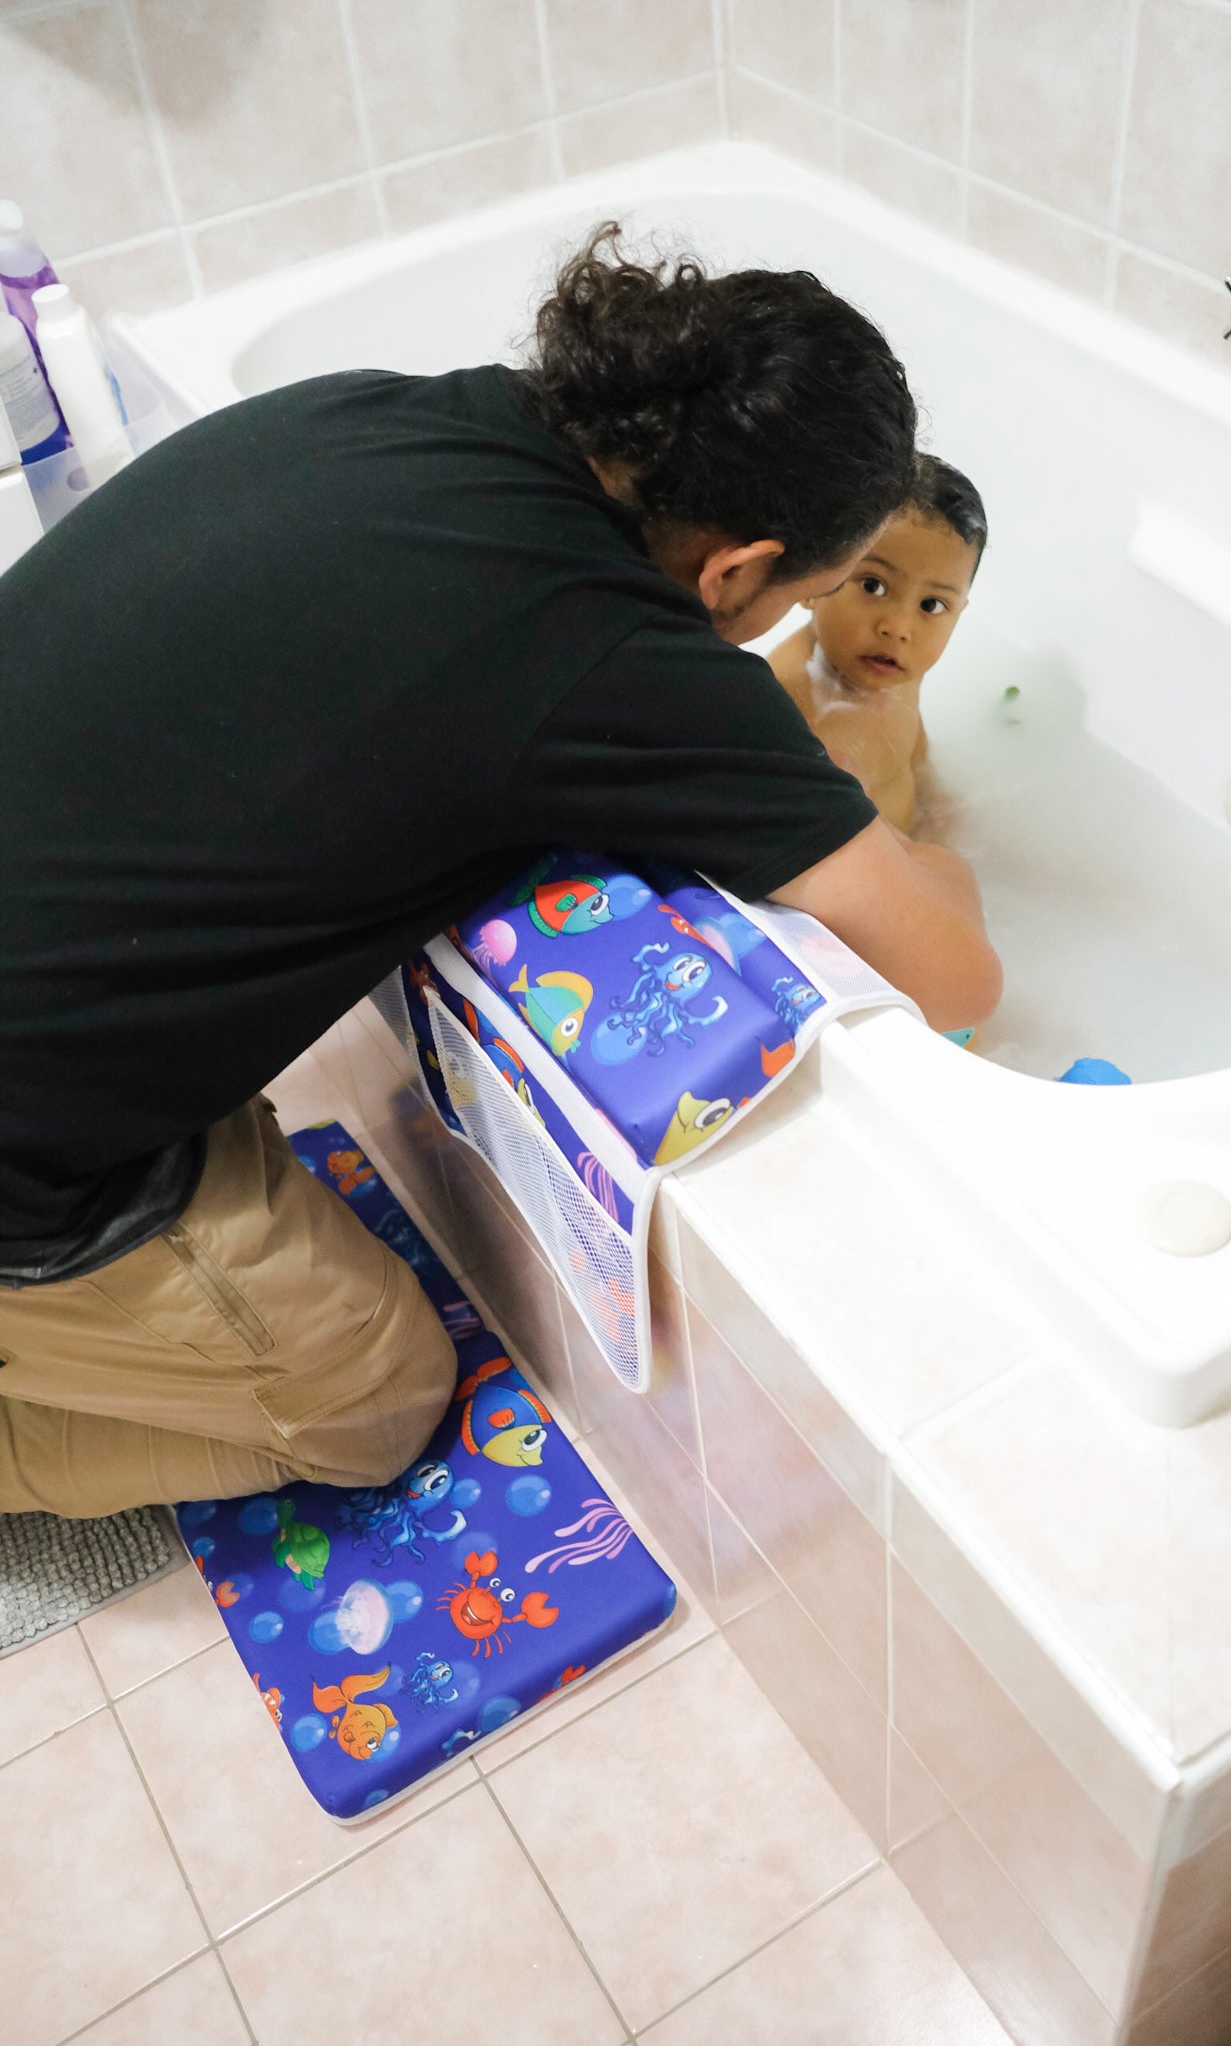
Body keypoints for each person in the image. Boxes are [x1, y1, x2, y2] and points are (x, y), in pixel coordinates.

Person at [0, 224, 1000, 1518]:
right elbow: (951, 972)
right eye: (803, 598)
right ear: (739, 567)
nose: (794, 626)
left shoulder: (374, 410)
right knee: (379, 1400)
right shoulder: (609, 653)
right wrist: (934, 856)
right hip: (26, 1154)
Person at [766, 456, 987, 836]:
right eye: (873, 585)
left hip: (905, 841)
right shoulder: (788, 709)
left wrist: (933, 794)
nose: (899, 627)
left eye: (931, 605)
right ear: (814, 574)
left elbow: (911, 736)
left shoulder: (893, 664)